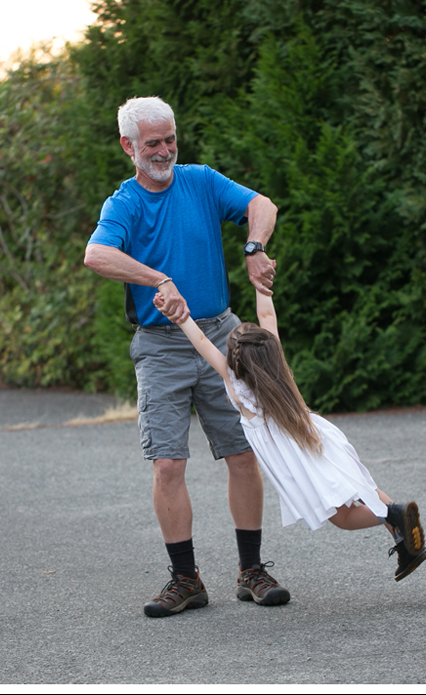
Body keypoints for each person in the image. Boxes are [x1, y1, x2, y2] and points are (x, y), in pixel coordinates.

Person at [83, 96, 290, 617]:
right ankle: (185, 580)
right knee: (168, 463)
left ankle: (251, 571)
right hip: (160, 346)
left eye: (170, 139)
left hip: (222, 335)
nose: (164, 150)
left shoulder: (200, 180)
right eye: (152, 143)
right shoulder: (124, 204)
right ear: (128, 146)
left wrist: (254, 247)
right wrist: (158, 279)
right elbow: (96, 254)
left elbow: (262, 205)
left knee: (243, 453)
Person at [153, 283, 426, 582]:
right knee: (362, 486)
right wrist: (262, 285)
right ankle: (402, 534)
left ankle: (393, 514)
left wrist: (180, 317)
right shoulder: (279, 368)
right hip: (319, 437)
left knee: (344, 518)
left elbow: (200, 341)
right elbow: (267, 315)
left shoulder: (236, 384)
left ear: (234, 360)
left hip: (298, 457)